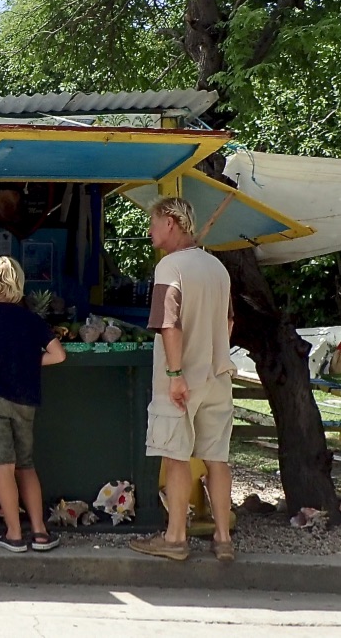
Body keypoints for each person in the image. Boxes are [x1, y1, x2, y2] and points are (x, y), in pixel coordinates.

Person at [129, 197, 237, 562]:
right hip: (217, 376)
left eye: (153, 223)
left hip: (181, 380)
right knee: (217, 459)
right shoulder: (217, 268)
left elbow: (168, 324)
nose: (149, 231)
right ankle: (223, 538)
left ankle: (175, 538)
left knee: (176, 457)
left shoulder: (169, 267)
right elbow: (229, 321)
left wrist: (175, 374)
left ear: (170, 222)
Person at [0, 256, 67, 553]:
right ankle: (40, 532)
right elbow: (59, 354)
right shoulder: (32, 319)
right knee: (25, 464)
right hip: (26, 399)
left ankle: (13, 534)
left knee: (4, 465)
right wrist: (28, 362)